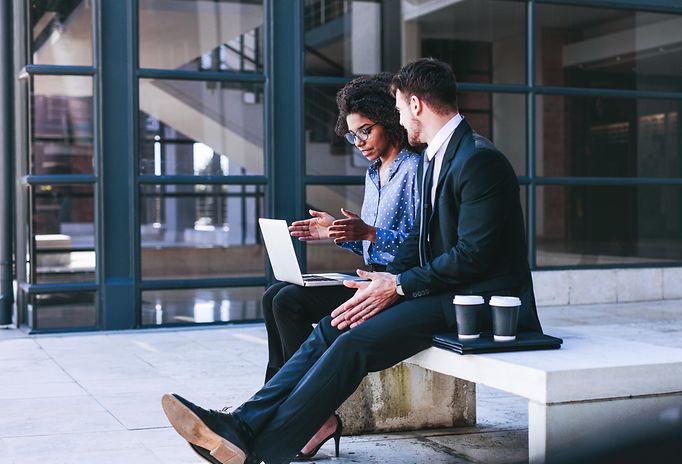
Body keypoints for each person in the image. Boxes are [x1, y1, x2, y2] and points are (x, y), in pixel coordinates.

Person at [161, 58, 542, 464]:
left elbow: (474, 256)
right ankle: (242, 424)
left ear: (415, 105)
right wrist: (383, 277)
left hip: (480, 305)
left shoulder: (477, 159)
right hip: (438, 290)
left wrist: (395, 284)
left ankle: (260, 452)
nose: (395, 117)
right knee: (333, 325)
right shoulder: (438, 156)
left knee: (352, 342)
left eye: (395, 109)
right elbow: (423, 242)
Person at [260, 73, 419, 459]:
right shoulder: (374, 172)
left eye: (365, 131)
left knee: (287, 302)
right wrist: (336, 231)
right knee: (276, 296)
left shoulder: (415, 169)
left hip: (398, 286)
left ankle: (303, 413)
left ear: (391, 118)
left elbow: (421, 245)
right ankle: (294, 408)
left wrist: (367, 232)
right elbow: (370, 245)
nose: (359, 142)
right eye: (352, 135)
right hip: (369, 276)